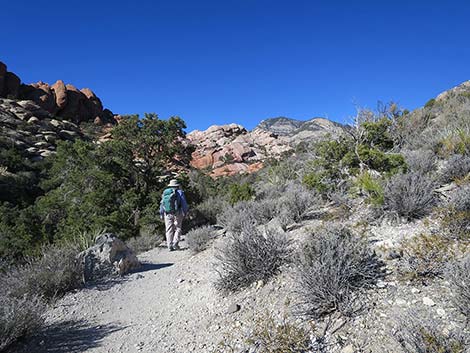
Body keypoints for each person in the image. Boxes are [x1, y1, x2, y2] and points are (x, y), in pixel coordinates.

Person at [160, 179, 188, 251]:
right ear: (177, 186)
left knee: (169, 229)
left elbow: (162, 203)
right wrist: (185, 212)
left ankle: (169, 246)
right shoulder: (180, 192)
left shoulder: (165, 192)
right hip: (177, 213)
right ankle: (175, 242)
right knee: (178, 228)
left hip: (167, 213)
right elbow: (184, 203)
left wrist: (161, 213)